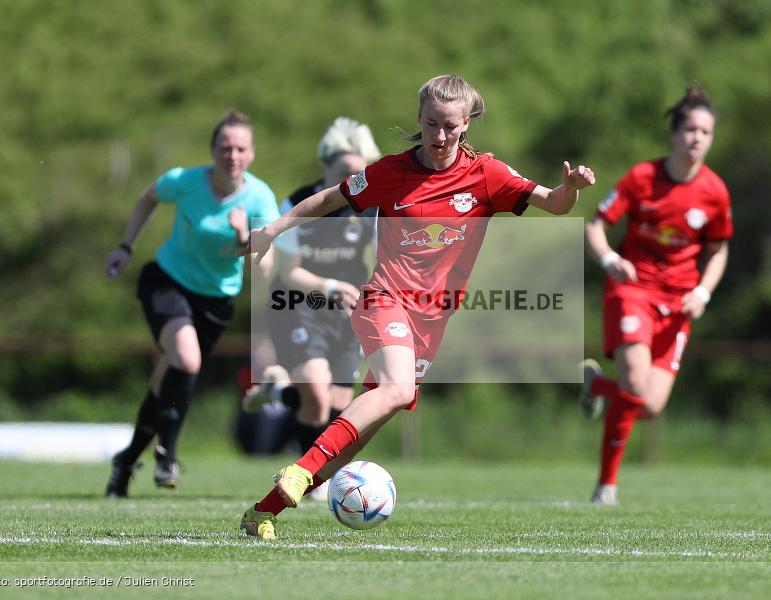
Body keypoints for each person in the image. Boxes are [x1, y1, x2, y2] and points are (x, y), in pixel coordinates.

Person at [238, 74, 596, 540]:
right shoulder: (390, 172)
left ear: (466, 123)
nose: (440, 136)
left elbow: (554, 204)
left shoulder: (488, 174)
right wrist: (275, 227)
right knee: (396, 387)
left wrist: (570, 188)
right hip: (382, 299)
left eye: (450, 126)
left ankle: (261, 513)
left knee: (358, 435)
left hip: (432, 319)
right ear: (419, 120)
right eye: (431, 125)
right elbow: (332, 197)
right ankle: (300, 473)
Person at [103, 108, 280, 498]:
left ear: (250, 155)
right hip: (167, 282)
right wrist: (125, 246)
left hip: (216, 302)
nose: (231, 155)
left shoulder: (261, 199)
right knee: (187, 358)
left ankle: (127, 460)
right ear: (213, 150)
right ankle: (168, 455)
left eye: (240, 149)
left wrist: (243, 238)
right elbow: (147, 198)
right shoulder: (184, 182)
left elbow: (264, 268)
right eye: (224, 147)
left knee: (163, 379)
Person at [579, 87, 733, 506]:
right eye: (690, 129)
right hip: (632, 290)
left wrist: (703, 290)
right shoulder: (642, 178)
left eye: (706, 131)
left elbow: (718, 250)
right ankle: (606, 487)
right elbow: (595, 224)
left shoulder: (715, 192)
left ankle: (598, 388)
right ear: (674, 133)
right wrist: (610, 259)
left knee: (648, 405)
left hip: (678, 303)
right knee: (634, 380)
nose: (697, 138)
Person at [239, 117, 381, 501]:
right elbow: (290, 271)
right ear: (326, 167)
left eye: (359, 173)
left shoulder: (371, 210)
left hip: (343, 315)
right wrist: (332, 286)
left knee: (338, 405)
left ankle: (279, 390)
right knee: (317, 398)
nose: (351, 182)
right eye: (345, 173)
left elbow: (387, 257)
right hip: (297, 306)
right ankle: (313, 480)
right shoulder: (300, 202)